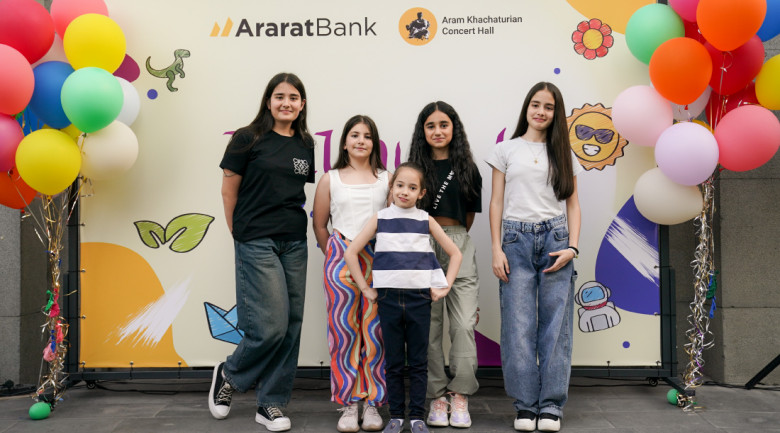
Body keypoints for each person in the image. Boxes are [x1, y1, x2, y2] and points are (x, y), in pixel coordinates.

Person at [210, 72, 315, 432]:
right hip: (256, 238)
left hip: (294, 241)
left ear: (302, 104)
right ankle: (230, 374)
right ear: (268, 101)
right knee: (270, 326)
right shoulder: (247, 138)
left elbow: (294, 191)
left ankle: (271, 403)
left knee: (291, 325)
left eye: (294, 97)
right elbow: (229, 191)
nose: (287, 103)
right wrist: (238, 232)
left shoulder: (305, 143)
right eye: (280, 96)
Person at [485, 82, 582, 432]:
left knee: (556, 327)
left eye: (549, 107)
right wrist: (496, 248)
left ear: (556, 113)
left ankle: (551, 406)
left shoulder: (563, 153)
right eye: (536, 104)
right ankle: (526, 405)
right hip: (515, 241)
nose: (541, 112)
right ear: (526, 107)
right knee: (518, 326)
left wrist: (572, 247)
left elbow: (573, 204)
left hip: (556, 239)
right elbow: (496, 202)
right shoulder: (505, 150)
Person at [344, 162, 463, 433]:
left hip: (419, 298)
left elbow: (455, 253)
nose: (404, 192)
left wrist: (445, 286)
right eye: (400, 185)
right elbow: (351, 252)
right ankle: (396, 416)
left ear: (421, 193)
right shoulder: (380, 218)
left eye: (412, 187)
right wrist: (365, 288)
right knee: (394, 362)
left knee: (419, 362)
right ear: (391, 186)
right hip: (387, 298)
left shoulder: (425, 220)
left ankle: (418, 416)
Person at [312, 115, 389, 432]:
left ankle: (372, 403)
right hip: (340, 259)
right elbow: (319, 225)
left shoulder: (387, 179)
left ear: (374, 143)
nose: (361, 141)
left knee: (375, 332)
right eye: (355, 135)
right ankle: (348, 402)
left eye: (367, 136)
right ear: (344, 142)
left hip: (378, 261)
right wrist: (334, 255)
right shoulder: (330, 179)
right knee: (343, 331)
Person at [408, 101, 482, 428]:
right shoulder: (414, 170)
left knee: (463, 324)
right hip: (420, 245)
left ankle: (460, 393)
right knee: (428, 328)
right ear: (422, 131)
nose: (437, 131)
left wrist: (451, 240)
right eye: (431, 126)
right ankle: (436, 396)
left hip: (457, 243)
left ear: (454, 128)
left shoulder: (468, 169)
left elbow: (468, 218)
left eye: (444, 124)